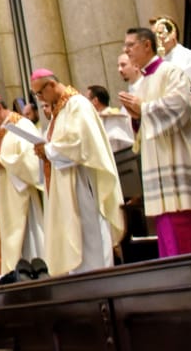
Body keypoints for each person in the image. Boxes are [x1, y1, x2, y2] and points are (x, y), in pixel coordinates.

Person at [117, 27, 191, 257]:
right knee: (167, 219)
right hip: (159, 158)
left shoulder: (171, 71)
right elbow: (144, 124)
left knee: (186, 214)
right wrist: (136, 117)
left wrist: (143, 109)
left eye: (130, 45)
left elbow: (180, 105)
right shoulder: (141, 82)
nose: (127, 50)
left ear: (147, 45)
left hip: (179, 155)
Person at [29, 69, 124, 275]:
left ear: (51, 85)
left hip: (82, 182)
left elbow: (80, 143)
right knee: (75, 235)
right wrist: (44, 151)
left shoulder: (77, 104)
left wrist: (47, 150)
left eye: (39, 93)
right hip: (67, 182)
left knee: (89, 237)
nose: (39, 99)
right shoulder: (59, 111)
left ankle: (100, 281)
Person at [0, 95, 45, 276]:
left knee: (25, 240)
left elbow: (33, 158)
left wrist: (2, 161)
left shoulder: (22, 125)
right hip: (6, 197)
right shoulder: (4, 131)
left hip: (20, 198)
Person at [87, 84, 134, 152]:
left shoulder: (113, 117)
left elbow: (114, 144)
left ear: (95, 100)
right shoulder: (94, 119)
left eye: (87, 100)